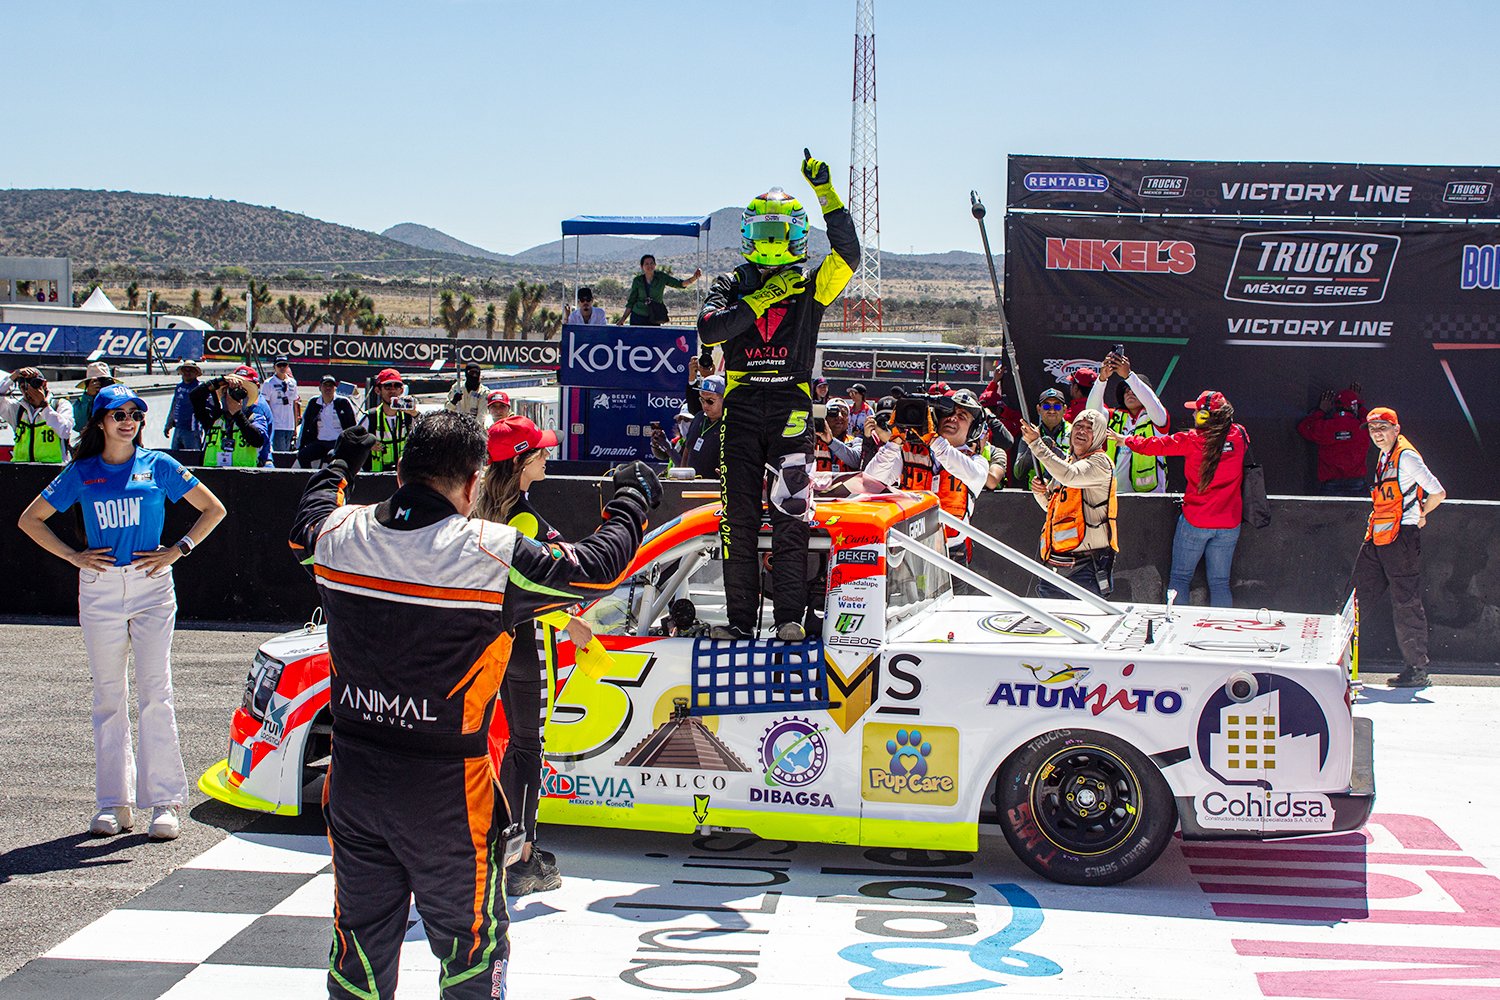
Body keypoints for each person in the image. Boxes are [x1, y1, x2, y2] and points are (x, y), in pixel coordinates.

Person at [289, 412, 659, 1000]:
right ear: (471, 484)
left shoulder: (340, 534)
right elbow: (598, 569)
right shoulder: (490, 551)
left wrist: (338, 466)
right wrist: (632, 499)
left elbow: (305, 520)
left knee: (357, 950)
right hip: (447, 791)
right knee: (472, 955)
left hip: (354, 775)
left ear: (400, 470)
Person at [17, 384, 226, 839]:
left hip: (152, 586)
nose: (128, 420)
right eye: (118, 414)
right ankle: (114, 803)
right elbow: (29, 519)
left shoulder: (160, 465)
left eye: (135, 413)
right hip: (100, 588)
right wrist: (74, 557)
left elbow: (214, 509)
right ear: (99, 422)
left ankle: (164, 802)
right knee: (108, 696)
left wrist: (178, 549)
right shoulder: (82, 471)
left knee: (157, 691)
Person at [698, 150, 860, 641]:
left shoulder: (815, 283)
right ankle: (741, 623)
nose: (770, 242)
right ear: (750, 235)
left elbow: (850, 254)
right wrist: (765, 297)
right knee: (738, 522)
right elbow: (709, 330)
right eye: (763, 233)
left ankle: (790, 619)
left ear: (793, 236)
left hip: (791, 406)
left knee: (792, 518)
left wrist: (826, 192)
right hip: (742, 408)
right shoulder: (731, 282)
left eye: (778, 233)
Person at [472, 415, 597, 896]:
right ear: (521, 461)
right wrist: (572, 622)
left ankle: (514, 847)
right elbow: (532, 592)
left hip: (504, 644)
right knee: (527, 750)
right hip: (526, 647)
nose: (548, 457)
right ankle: (521, 858)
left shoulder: (491, 508)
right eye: (541, 453)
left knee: (516, 748)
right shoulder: (521, 518)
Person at [1117, 390, 1247, 607]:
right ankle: (1221, 633)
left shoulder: (1193, 440)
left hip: (1196, 521)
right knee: (1220, 583)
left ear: (1205, 416)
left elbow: (1155, 446)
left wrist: (1126, 440)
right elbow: (1227, 434)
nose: (1194, 415)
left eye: (1197, 412)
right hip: (1229, 523)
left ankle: (1176, 630)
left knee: (1180, 579)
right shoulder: (1241, 435)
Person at [1355, 406, 1446, 688]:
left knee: (1406, 603)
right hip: (1379, 536)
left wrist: (1421, 515)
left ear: (1396, 429)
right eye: (1372, 429)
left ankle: (1417, 669)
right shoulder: (1384, 456)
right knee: (1356, 596)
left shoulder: (1406, 457)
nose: (1377, 434)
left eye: (1383, 428)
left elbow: (1438, 492)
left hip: (1402, 539)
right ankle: (1342, 661)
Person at [1022, 408, 1116, 597]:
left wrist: (1036, 444)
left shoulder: (1101, 463)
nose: (1081, 431)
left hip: (1086, 567)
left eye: (1089, 428)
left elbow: (1069, 476)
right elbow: (1053, 509)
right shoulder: (1068, 462)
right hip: (1055, 563)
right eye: (1078, 426)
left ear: (1098, 435)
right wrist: (1041, 494)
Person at [1089, 352, 1170, 494]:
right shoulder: (1114, 416)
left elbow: (1152, 401)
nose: (1129, 393)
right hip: (1116, 495)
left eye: (1134, 390)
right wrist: (1101, 380)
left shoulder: (1156, 417)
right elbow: (1091, 413)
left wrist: (1129, 376)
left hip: (1151, 497)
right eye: (1126, 390)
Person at [191, 364, 273, 468]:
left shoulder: (255, 418)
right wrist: (220, 381)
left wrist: (237, 414)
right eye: (229, 392)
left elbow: (258, 440)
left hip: (245, 478)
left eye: (240, 392)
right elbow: (194, 396)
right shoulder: (214, 419)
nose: (234, 396)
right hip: (212, 476)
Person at [1297, 384, 1369, 496]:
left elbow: (1303, 427)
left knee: (1330, 513)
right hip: (1357, 485)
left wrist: (1320, 410)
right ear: (1354, 407)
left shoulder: (1325, 427)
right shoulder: (1363, 427)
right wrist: (1358, 404)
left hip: (1331, 486)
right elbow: (1374, 421)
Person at [651, 374, 725, 477]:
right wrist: (683, 476)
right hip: (691, 486)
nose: (705, 405)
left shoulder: (730, 424)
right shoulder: (699, 417)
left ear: (724, 399)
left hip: (713, 486)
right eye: (702, 400)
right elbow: (687, 450)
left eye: (710, 401)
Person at [1, 366, 74, 462]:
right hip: (21, 468)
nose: (28, 392)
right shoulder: (18, 409)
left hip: (53, 468)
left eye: (34, 385)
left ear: (44, 384)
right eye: (24, 388)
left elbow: (65, 431)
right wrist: (14, 375)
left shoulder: (59, 405)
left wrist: (44, 406)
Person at [1012, 388, 1070, 490]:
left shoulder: (1074, 432)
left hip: (1065, 495)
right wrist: (1034, 443)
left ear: (1064, 409)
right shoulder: (1029, 435)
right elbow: (1018, 473)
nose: (1052, 410)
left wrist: (1052, 449)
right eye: (1047, 406)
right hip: (1036, 495)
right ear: (1039, 409)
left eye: (1056, 406)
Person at [619, 255, 702, 326]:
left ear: (655, 265)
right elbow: (631, 301)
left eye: (651, 263)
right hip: (638, 316)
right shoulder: (637, 281)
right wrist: (623, 319)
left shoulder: (661, 277)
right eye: (646, 264)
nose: (649, 266)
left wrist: (694, 277)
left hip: (655, 316)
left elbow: (680, 284)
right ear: (642, 266)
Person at [297, 374, 357, 468]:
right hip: (319, 442)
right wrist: (300, 446)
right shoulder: (313, 402)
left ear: (335, 388)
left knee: (332, 456)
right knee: (302, 455)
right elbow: (305, 424)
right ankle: (310, 478)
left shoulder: (343, 402)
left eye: (331, 386)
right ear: (320, 388)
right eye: (325, 385)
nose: (328, 388)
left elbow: (353, 425)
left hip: (338, 443)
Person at [363, 368, 415, 472]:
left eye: (397, 386)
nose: (392, 390)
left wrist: (415, 414)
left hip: (403, 476)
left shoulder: (409, 416)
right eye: (387, 386)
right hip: (375, 478)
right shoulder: (370, 416)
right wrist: (368, 444)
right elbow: (353, 442)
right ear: (378, 390)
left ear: (401, 390)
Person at [162, 361, 204, 453]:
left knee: (192, 458)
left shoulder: (200, 388)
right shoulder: (179, 387)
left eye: (191, 370)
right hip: (178, 428)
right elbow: (174, 405)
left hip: (192, 430)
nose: (187, 373)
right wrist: (168, 424)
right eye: (185, 370)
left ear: (196, 373)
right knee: (175, 457)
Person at [263, 357, 302, 453]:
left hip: (289, 425)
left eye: (284, 365)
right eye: (279, 365)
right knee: (280, 452)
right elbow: (266, 405)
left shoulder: (292, 382)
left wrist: (295, 425)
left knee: (288, 452)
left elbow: (294, 404)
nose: (282, 368)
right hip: (277, 424)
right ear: (274, 367)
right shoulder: (269, 383)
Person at [72, 362, 117, 439]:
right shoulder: (81, 403)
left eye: (105, 381)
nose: (103, 384)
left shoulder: (118, 398)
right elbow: (79, 426)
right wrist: (89, 397)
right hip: (92, 444)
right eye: (99, 381)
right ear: (88, 384)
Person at [814, 398, 862, 472]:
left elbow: (857, 462)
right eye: (834, 413)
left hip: (845, 483)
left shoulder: (855, 441)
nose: (839, 416)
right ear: (825, 417)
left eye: (844, 413)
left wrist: (831, 442)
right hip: (818, 482)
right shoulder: (813, 440)